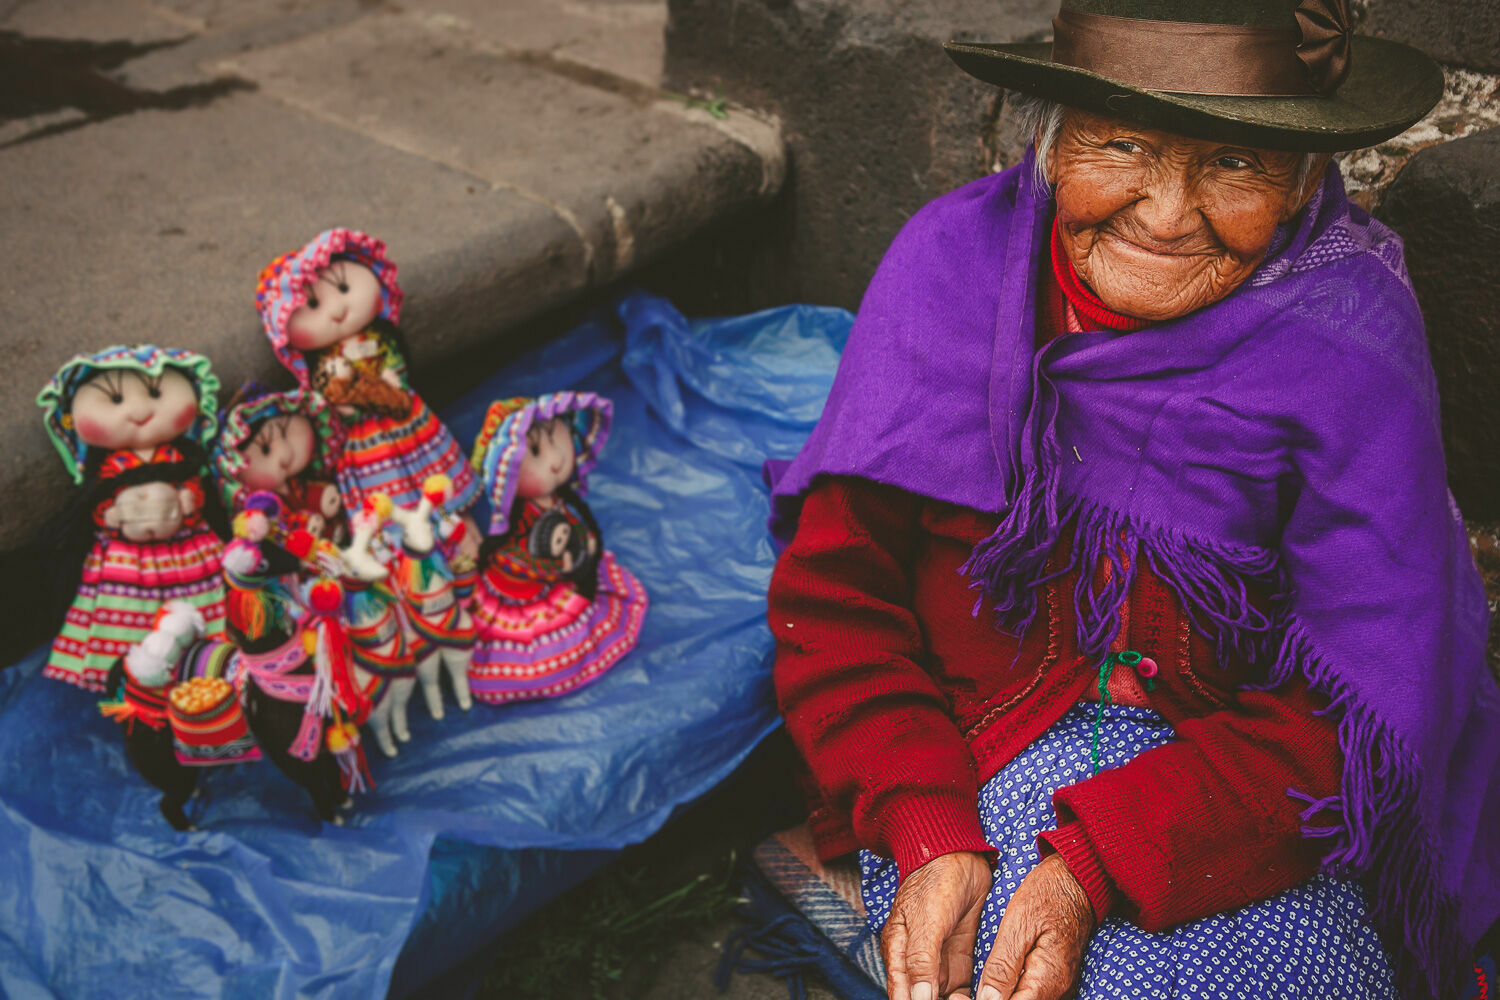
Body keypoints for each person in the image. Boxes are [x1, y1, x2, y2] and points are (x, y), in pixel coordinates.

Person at [765, 3, 1500, 999]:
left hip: (1241, 792)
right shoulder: (950, 268)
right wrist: (925, 825)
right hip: (972, 743)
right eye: (1123, 147)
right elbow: (837, 605)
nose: (1166, 216)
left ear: (1303, 182)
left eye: (1236, 163)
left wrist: (1097, 860)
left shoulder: (1351, 342)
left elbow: (1362, 700)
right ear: (1051, 144)